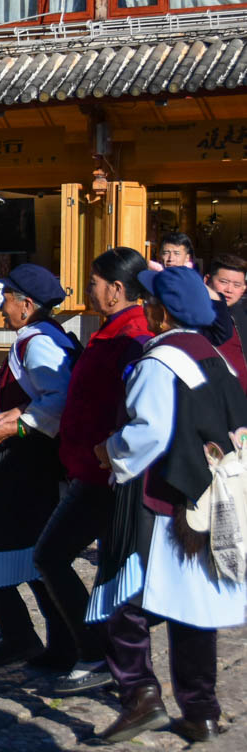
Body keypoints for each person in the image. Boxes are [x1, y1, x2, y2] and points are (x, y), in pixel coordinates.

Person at [90, 265, 247, 744]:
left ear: (159, 312)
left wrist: (109, 450)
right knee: (191, 607)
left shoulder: (159, 360)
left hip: (160, 499)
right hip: (202, 498)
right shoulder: (213, 355)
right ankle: (201, 711)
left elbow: (149, 433)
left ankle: (140, 695)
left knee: (127, 599)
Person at [34, 247, 153, 695]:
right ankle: (104, 655)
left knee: (52, 555)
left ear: (117, 289)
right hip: (89, 468)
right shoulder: (111, 331)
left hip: (108, 473)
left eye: (94, 281)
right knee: (105, 569)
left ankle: (95, 653)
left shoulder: (131, 339)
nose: (89, 289)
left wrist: (105, 452)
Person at [0, 264, 78, 668]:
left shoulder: (39, 342)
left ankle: (39, 640)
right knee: (29, 553)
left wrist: (15, 427)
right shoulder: (36, 337)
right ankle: (43, 640)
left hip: (27, 462)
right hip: (23, 459)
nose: (0, 308)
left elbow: (58, 400)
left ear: (26, 304)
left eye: (5, 298)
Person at [205, 253, 247, 392]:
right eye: (223, 282)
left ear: (243, 289)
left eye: (236, 285)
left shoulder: (242, 315)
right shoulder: (198, 317)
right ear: (207, 280)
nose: (229, 290)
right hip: (214, 398)